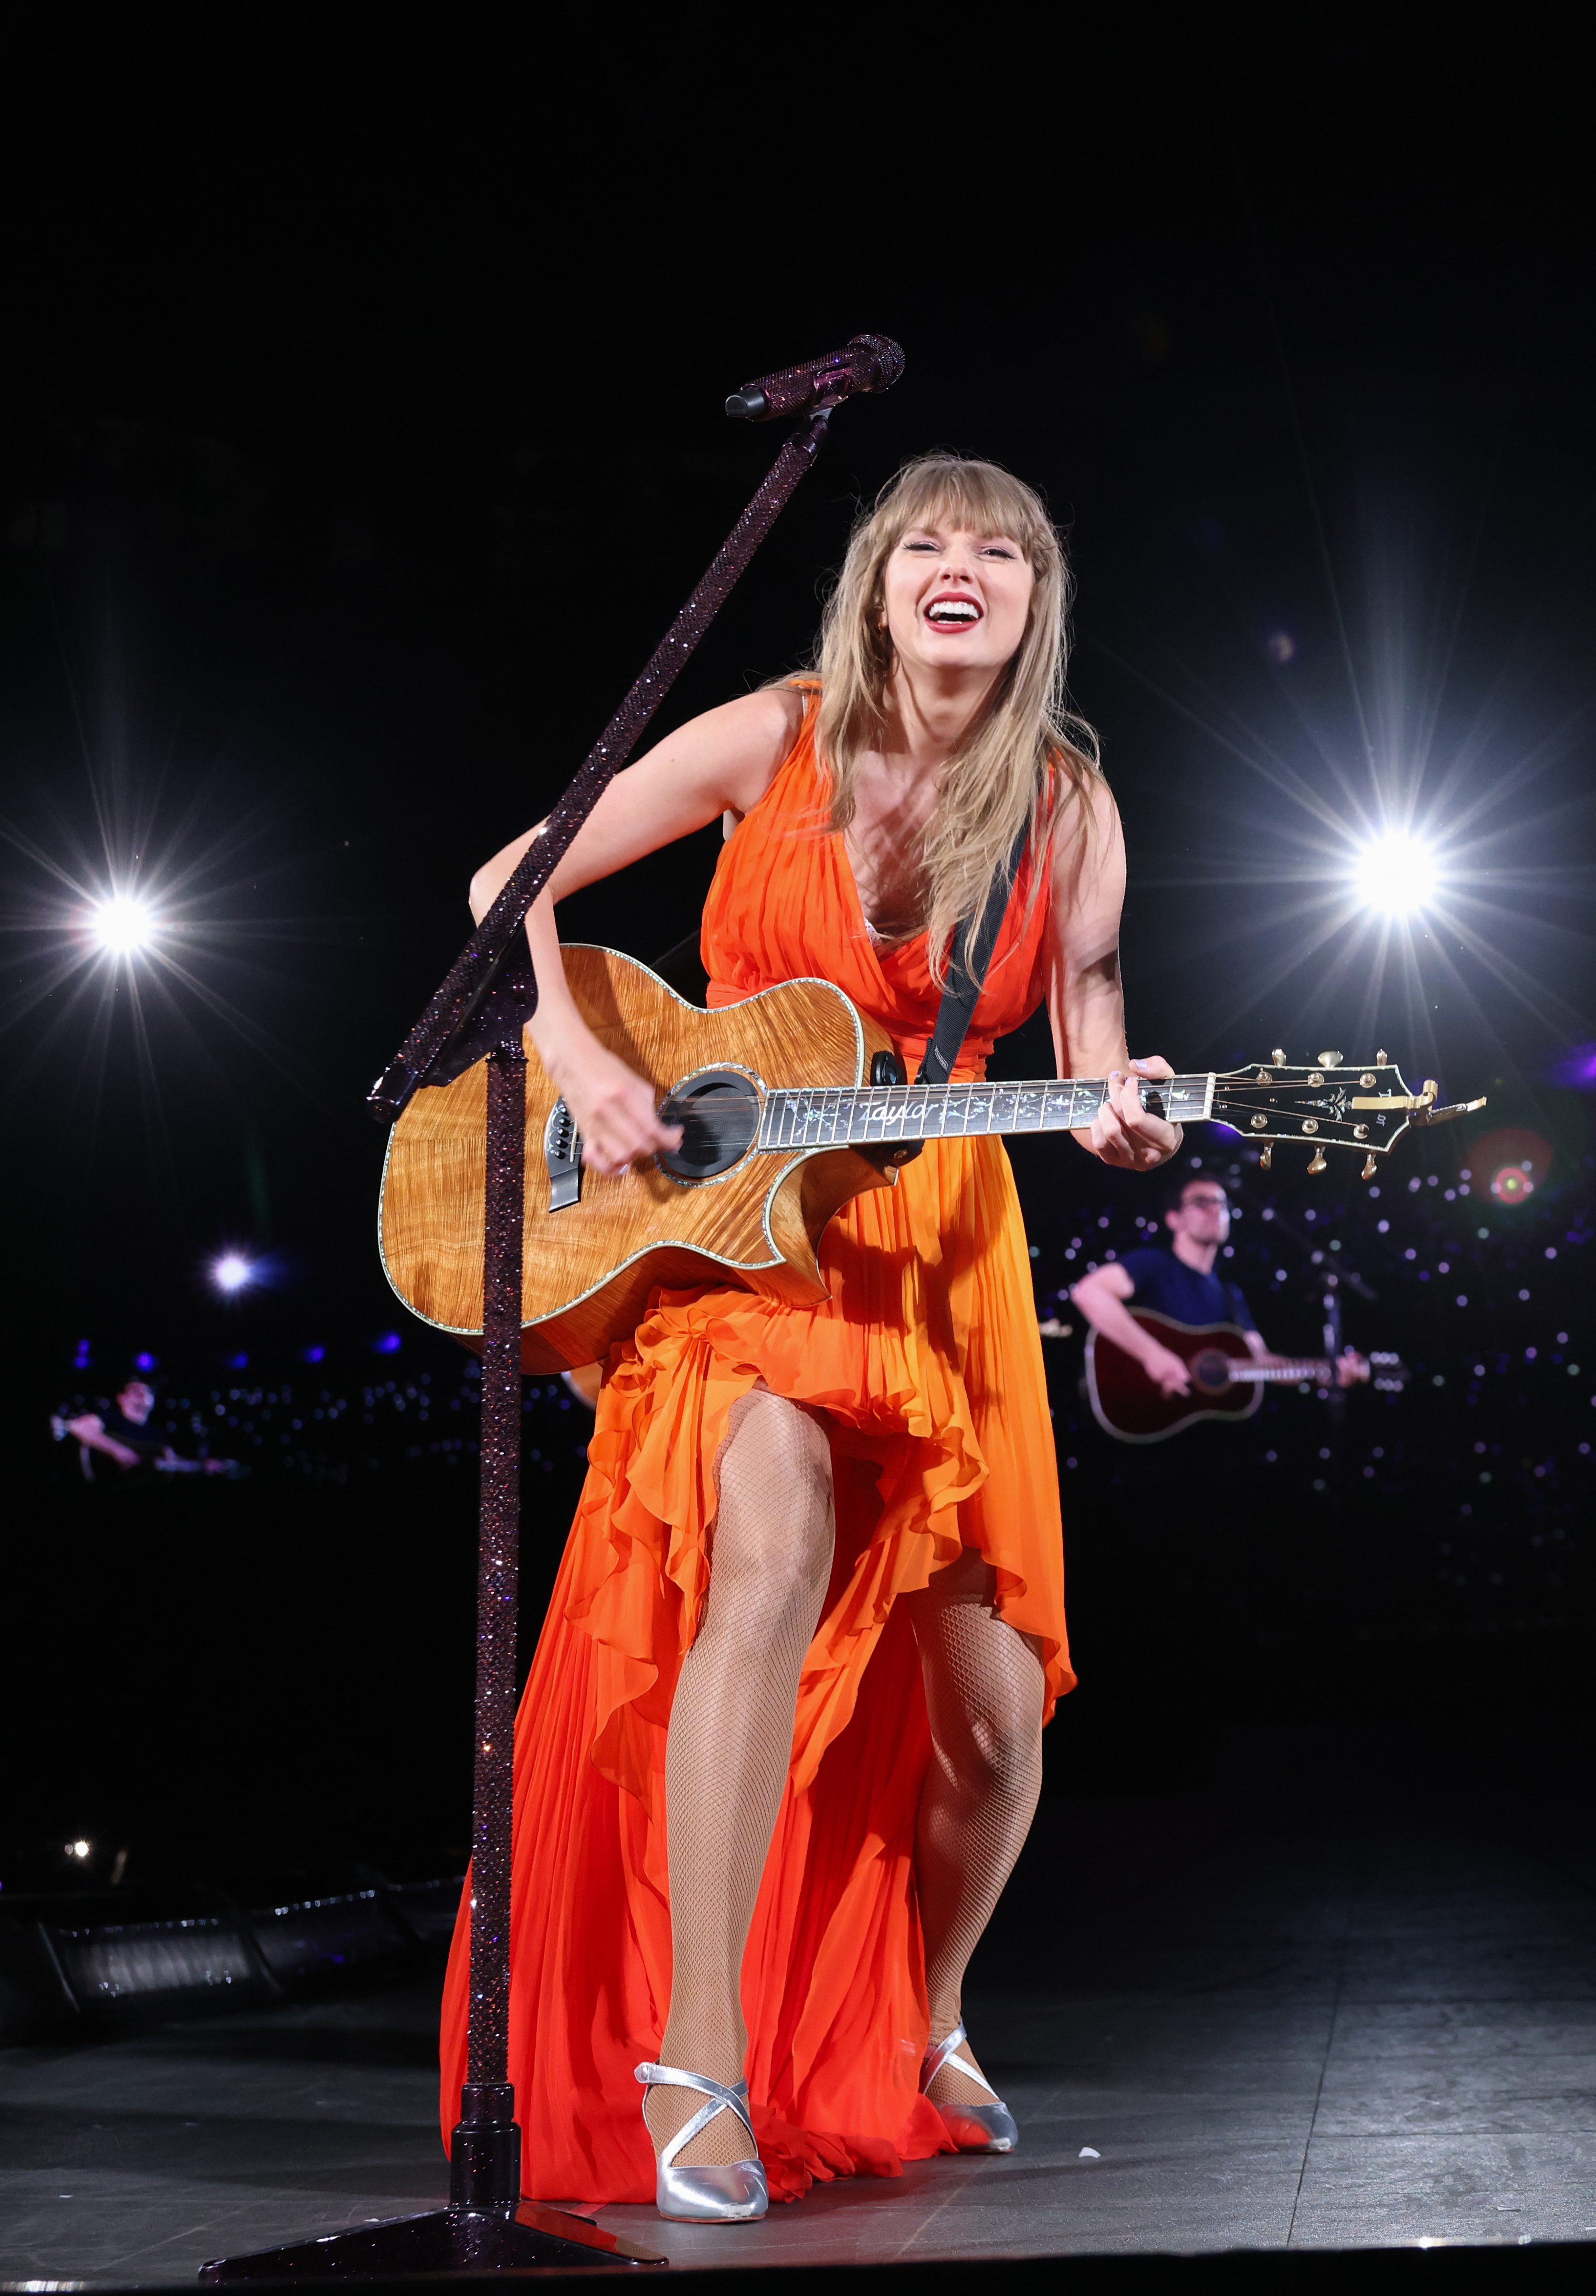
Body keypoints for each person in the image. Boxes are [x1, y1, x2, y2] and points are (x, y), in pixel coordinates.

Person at [442, 455, 1181, 2222]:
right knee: (761, 1563)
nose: (958, 567)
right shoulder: (766, 733)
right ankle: (697, 2060)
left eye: (996, 550)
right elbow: (503, 881)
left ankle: (926, 2016)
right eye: (924, 541)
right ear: (870, 583)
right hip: (741, 1241)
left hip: (936, 1251)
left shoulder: (1066, 807)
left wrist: (1126, 1106)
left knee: (996, 1723)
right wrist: (581, 1056)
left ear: (1031, 602)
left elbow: (1091, 1029)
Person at [1071, 1174, 1366, 1394]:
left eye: (1222, 1204)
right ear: (1174, 1219)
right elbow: (1089, 1293)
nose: (1216, 1211)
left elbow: (1261, 1362)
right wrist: (1153, 1355)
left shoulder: (1230, 1294)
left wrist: (1326, 1369)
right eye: (1201, 1203)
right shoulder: (1153, 1264)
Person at [53, 1376, 233, 1477]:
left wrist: (203, 1466)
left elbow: (170, 1462)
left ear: (152, 1401)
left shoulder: (158, 1433)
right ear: (121, 1398)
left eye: (145, 1392)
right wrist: (117, 1451)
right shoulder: (111, 1417)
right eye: (134, 1391)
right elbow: (80, 1427)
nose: (140, 1395)